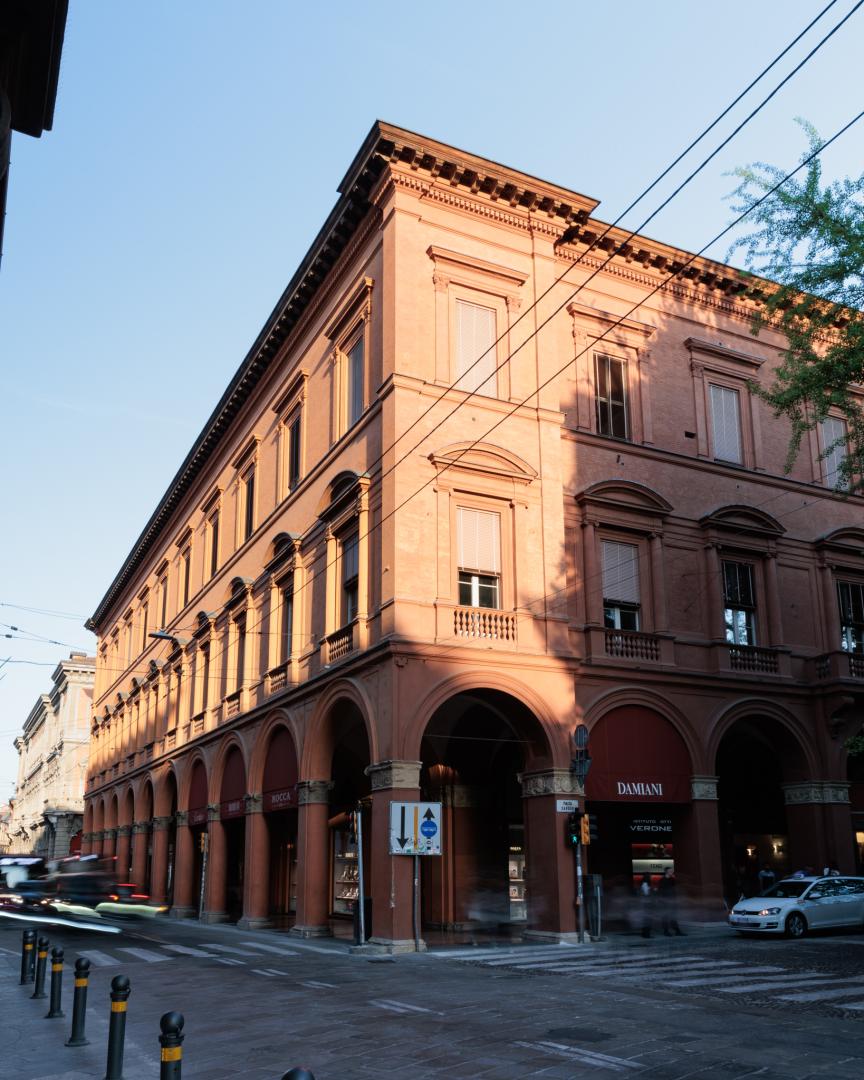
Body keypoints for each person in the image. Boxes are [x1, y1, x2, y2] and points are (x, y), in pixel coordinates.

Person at [658, 867, 684, 936]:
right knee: (665, 917)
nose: (672, 872)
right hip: (665, 902)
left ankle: (677, 931)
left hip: (673, 901)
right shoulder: (662, 880)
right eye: (670, 871)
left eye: (672, 871)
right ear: (666, 872)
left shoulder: (672, 879)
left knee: (673, 917)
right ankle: (666, 931)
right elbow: (660, 892)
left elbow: (674, 890)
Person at [639, 873, 654, 938]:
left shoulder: (644, 884)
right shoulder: (645, 884)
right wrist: (652, 890)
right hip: (647, 903)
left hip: (645, 903)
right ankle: (646, 934)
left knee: (646, 919)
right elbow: (646, 894)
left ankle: (645, 934)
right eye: (650, 876)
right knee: (647, 919)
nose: (651, 877)